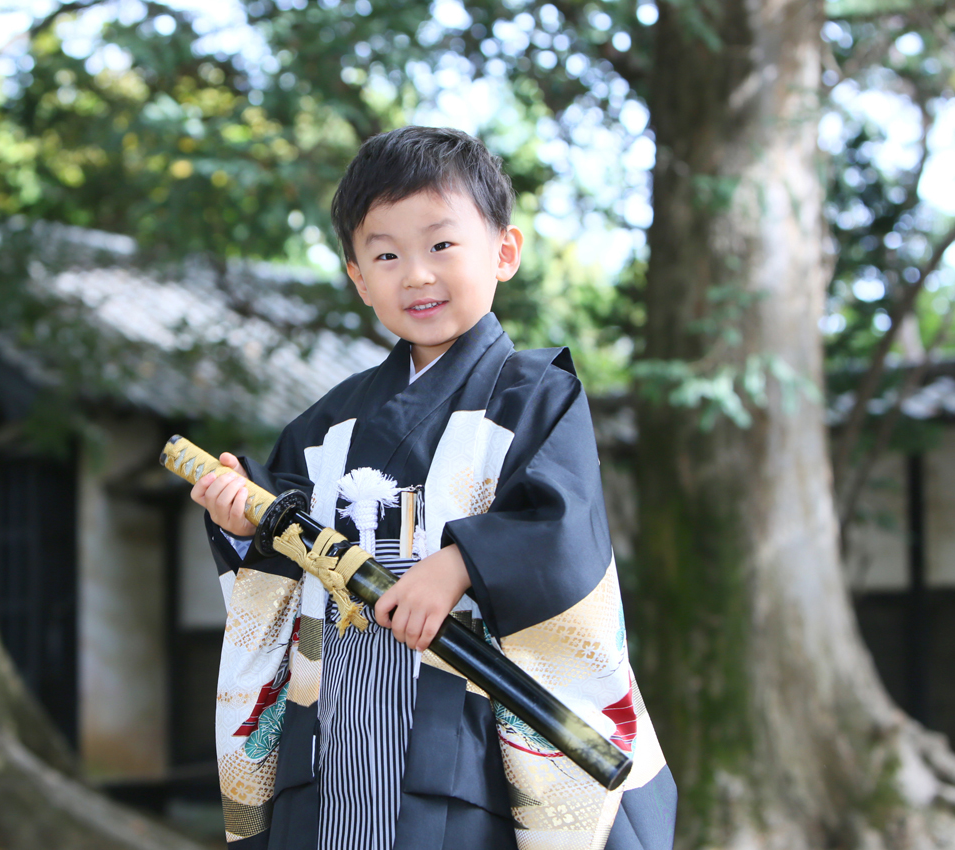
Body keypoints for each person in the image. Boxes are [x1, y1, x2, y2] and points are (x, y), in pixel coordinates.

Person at [191, 126, 676, 850]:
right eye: (386, 255)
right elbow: (279, 542)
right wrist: (238, 515)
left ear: (503, 252)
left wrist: (460, 564)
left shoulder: (535, 396)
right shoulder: (326, 425)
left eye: (441, 246)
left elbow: (560, 524)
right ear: (358, 277)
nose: (415, 274)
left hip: (464, 729)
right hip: (337, 712)